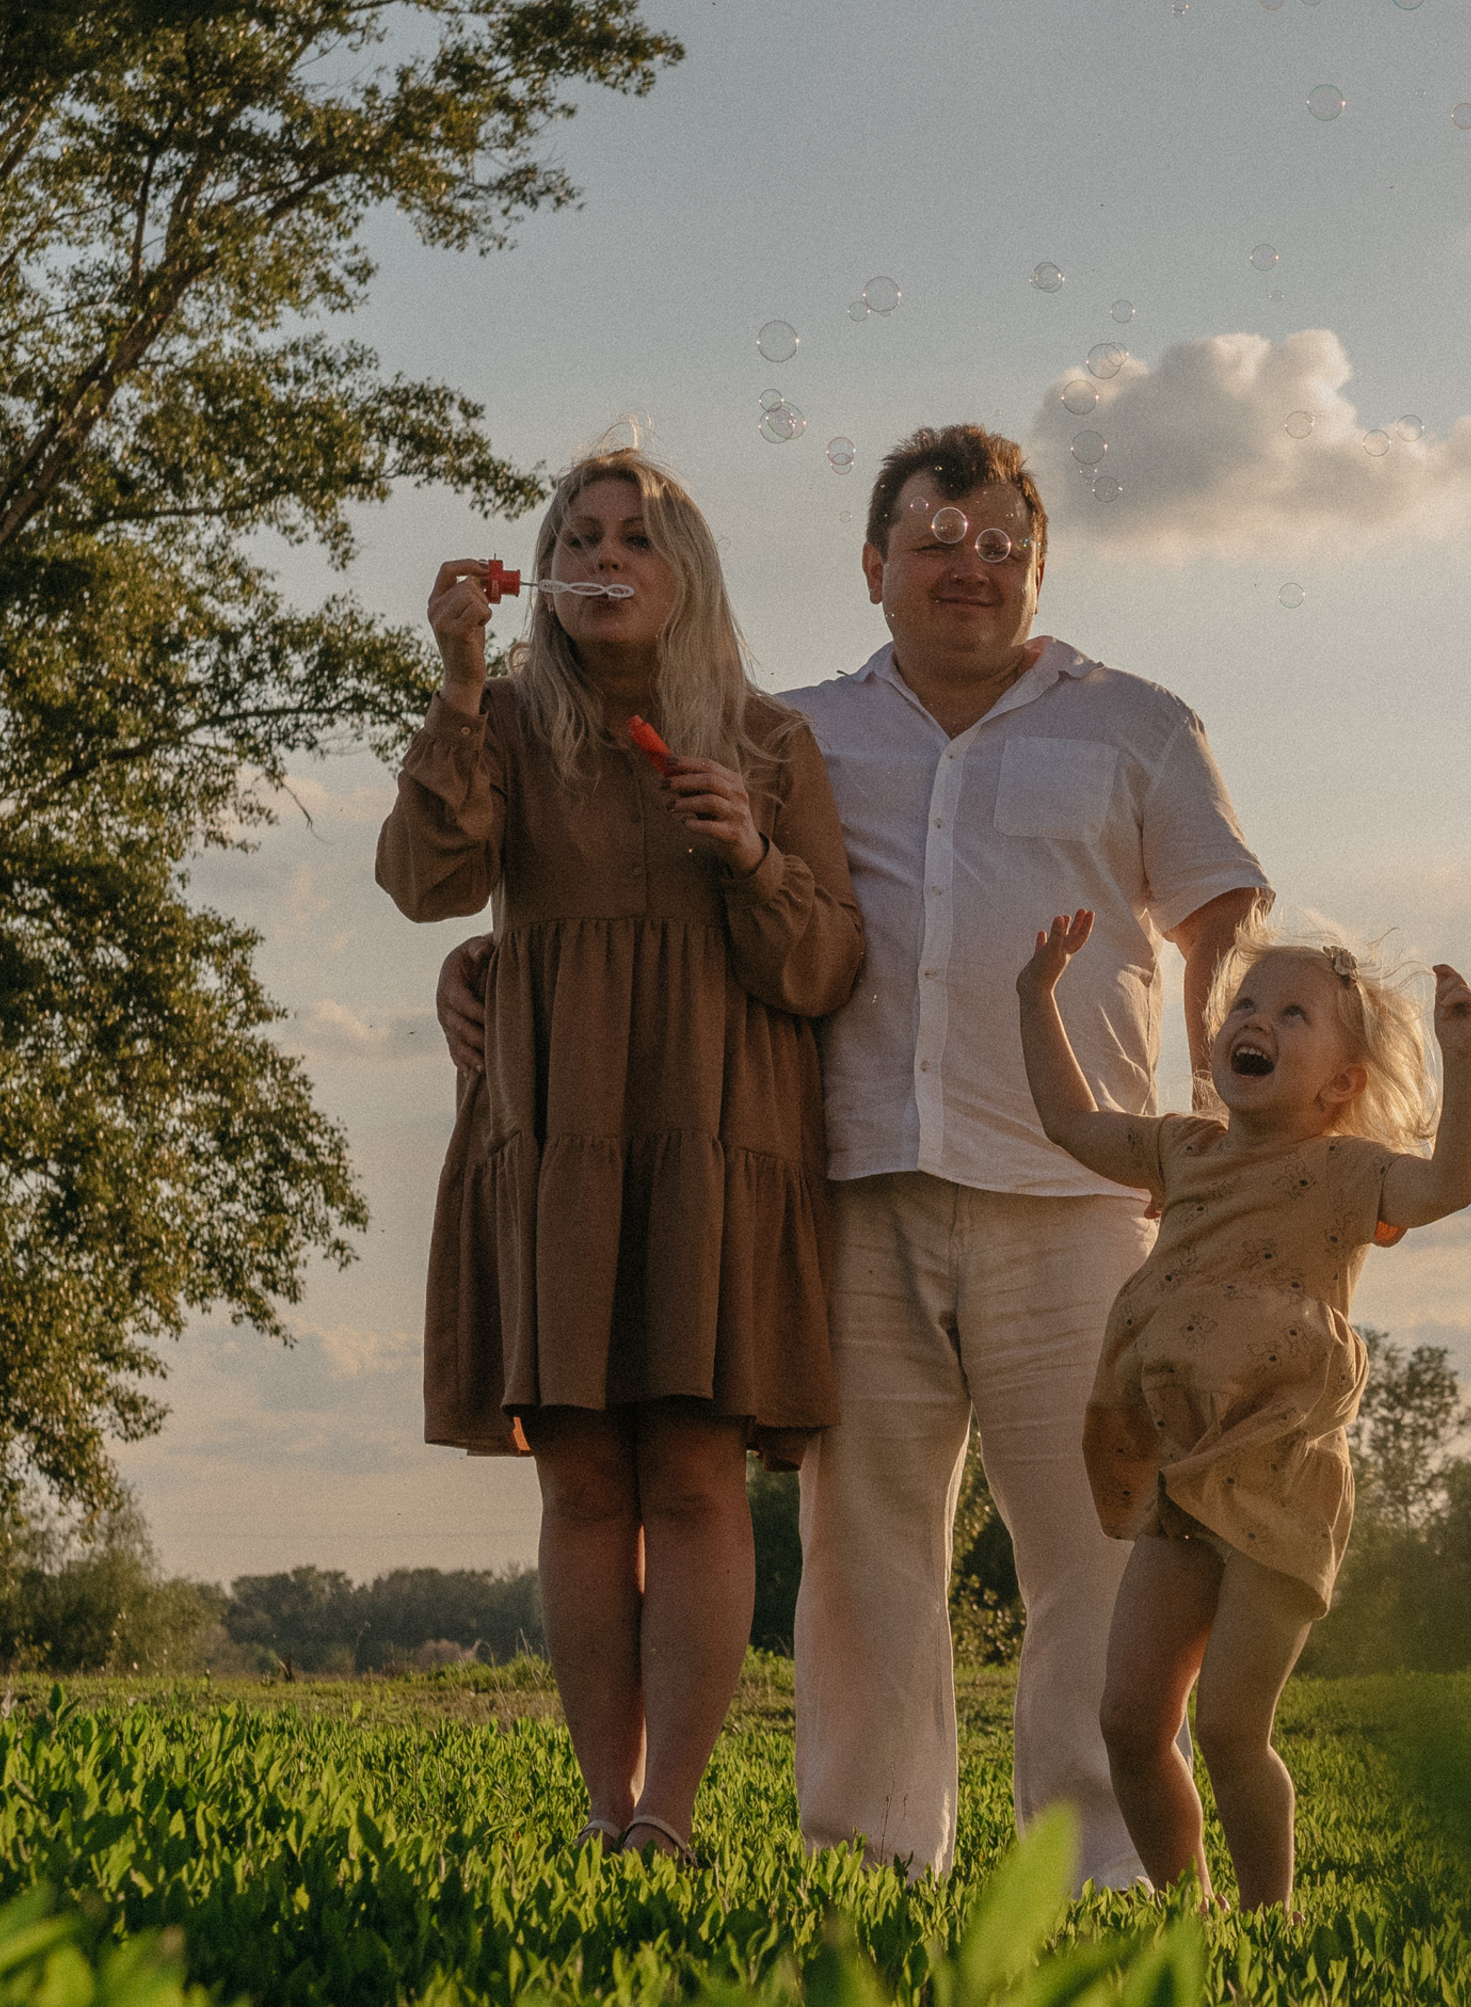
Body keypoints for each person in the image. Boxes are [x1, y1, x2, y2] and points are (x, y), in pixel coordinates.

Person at [444, 423, 1267, 1887]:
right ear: (874, 565)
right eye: (937, 540)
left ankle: (1090, 1876)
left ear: (1038, 564)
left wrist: (1217, 1073)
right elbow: (652, 895)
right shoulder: (791, 730)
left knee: (1091, 1552)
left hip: (1076, 1196)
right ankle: (869, 1865)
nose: (972, 564)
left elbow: (1218, 915)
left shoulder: (1138, 724)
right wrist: (483, 970)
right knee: (866, 1560)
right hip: (855, 1183)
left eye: (1003, 541)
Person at [382, 447, 865, 1862]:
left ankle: (674, 1815)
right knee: (583, 1482)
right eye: (578, 538)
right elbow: (428, 885)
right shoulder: (514, 729)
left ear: (687, 577)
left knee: (698, 1482)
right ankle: (605, 1811)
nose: (607, 559)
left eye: (637, 539)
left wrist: (754, 857)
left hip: (719, 1133)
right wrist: (463, 681)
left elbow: (827, 969)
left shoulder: (769, 745)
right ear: (539, 578)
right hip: (558, 1133)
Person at [1018, 911, 1471, 1907]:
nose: (1255, 1019)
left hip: (1280, 1484)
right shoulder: (1185, 1152)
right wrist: (1034, 998)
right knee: (1130, 1719)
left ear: (1341, 1085)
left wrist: (1460, 1061)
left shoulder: (1345, 1172)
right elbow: (1070, 1123)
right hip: (1185, 1476)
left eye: (1291, 1012)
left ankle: (1268, 1920)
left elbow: (1448, 1182)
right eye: (1244, 1003)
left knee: (1231, 1728)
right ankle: (1188, 1915)